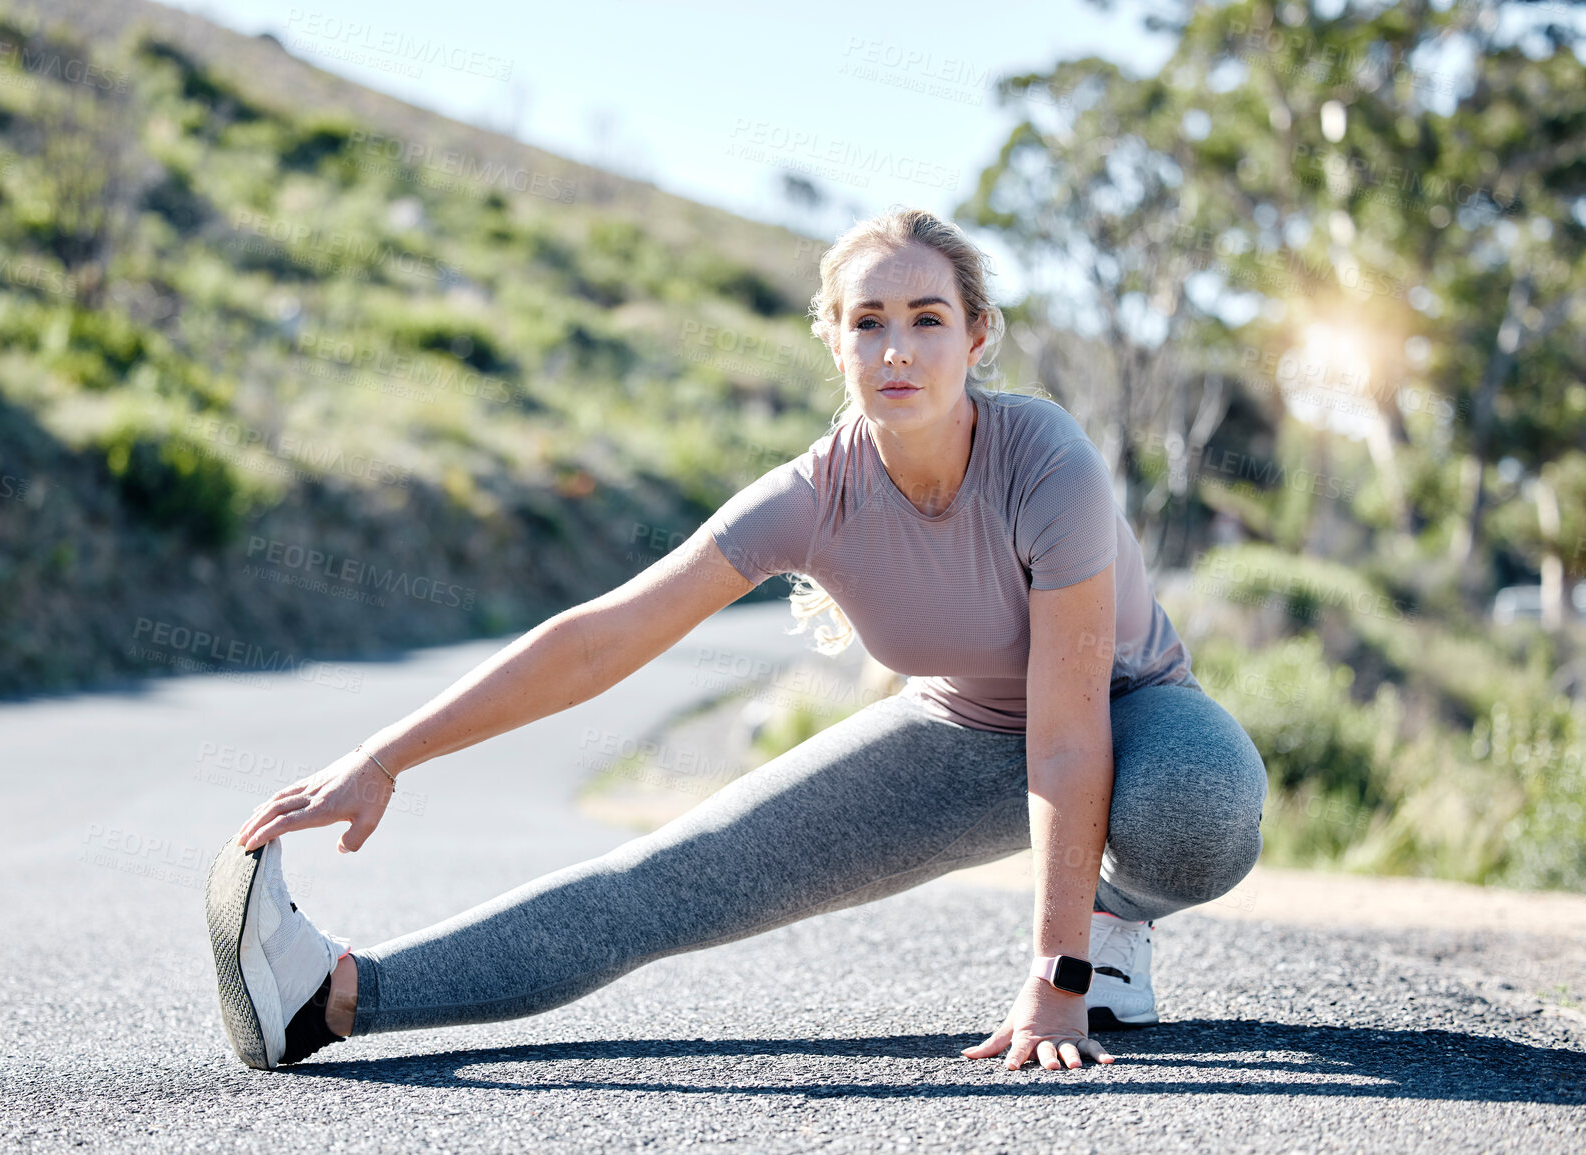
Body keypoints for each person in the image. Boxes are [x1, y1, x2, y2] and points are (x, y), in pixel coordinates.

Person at [205, 207, 1268, 1076]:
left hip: (1127, 716)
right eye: (869, 322)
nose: (898, 349)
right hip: (961, 731)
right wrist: (384, 757)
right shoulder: (813, 495)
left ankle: (1114, 923)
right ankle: (329, 997)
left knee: (1196, 801)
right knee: (671, 878)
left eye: (929, 319)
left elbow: (1072, 733)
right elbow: (602, 640)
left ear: (977, 337)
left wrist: (1057, 974)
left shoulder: (1045, 459)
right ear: (835, 339)